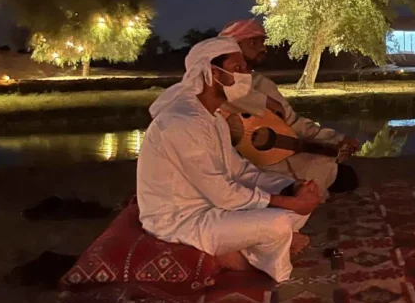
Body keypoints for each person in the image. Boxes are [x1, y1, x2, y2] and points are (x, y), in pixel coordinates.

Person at [137, 37, 322, 282]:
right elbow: (223, 193)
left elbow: (241, 172)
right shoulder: (182, 122)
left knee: (300, 206)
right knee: (279, 221)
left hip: (213, 206)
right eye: (238, 69)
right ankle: (245, 260)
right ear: (213, 73)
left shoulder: (213, 118)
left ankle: (251, 247)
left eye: (245, 68)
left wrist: (290, 188)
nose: (246, 75)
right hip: (182, 219)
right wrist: (285, 203)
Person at [219, 19, 359, 196]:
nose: (262, 48)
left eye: (262, 42)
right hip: (237, 169)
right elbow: (226, 92)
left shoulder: (262, 84)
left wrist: (337, 139)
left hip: (281, 161)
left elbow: (293, 123)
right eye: (253, 43)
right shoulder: (212, 85)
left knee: (344, 175)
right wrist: (263, 102)